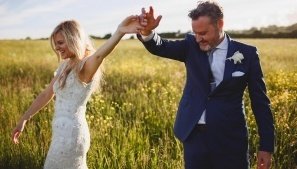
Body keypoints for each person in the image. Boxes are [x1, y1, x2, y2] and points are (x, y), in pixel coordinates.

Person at [138, 1, 274, 169]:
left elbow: (260, 103)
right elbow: (160, 46)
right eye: (195, 33)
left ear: (220, 24)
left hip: (231, 139)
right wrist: (147, 32)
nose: (198, 38)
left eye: (203, 33)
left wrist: (266, 146)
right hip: (195, 137)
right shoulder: (190, 45)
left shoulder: (247, 54)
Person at [12, 15, 145, 169]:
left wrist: (119, 32)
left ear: (73, 39)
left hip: (72, 138)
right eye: (56, 44)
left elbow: (100, 55)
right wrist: (24, 119)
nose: (57, 48)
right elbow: (46, 94)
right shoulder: (64, 66)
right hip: (60, 136)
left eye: (60, 43)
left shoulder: (85, 67)